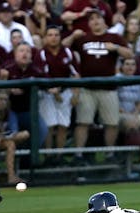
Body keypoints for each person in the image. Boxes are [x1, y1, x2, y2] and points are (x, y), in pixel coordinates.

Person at [62, 9, 132, 164]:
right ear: (89, 23)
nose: (95, 21)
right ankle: (78, 155)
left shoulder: (114, 37)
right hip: (87, 88)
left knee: (111, 123)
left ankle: (109, 154)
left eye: (98, 18)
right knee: (83, 122)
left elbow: (129, 54)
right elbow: (62, 48)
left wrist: (115, 48)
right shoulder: (83, 38)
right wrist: (73, 36)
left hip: (109, 88)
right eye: (92, 19)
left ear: (104, 20)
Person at [34, 25, 79, 156]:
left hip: (65, 91)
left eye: (56, 35)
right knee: (50, 125)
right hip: (47, 94)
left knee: (63, 125)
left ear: (60, 37)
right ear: (45, 38)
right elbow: (41, 75)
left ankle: (59, 155)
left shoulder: (68, 52)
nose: (53, 38)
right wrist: (54, 91)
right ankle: (48, 155)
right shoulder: (41, 54)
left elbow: (76, 74)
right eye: (50, 35)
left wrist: (76, 93)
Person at [116, 57, 140, 170]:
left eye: (133, 64)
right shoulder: (116, 79)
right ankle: (128, 160)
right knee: (132, 124)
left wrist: (135, 113)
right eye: (127, 64)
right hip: (119, 113)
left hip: (134, 113)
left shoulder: (137, 80)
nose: (130, 67)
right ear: (122, 66)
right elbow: (114, 101)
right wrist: (126, 113)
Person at [0, 90, 29, 184]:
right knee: (4, 140)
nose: (3, 102)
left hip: (1, 141)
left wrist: (1, 137)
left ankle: (11, 177)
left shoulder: (7, 113)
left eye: (5, 100)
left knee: (16, 140)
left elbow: (7, 131)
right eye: (1, 99)